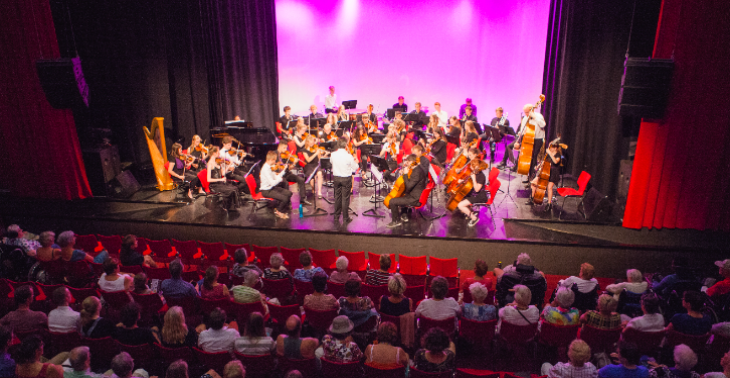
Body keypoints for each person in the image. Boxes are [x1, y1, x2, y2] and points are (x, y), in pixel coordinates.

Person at [386, 154, 426, 228]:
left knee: (392, 201)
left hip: (414, 198)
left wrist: (405, 174)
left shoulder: (417, 172)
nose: (406, 163)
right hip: (414, 194)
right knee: (401, 194)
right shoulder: (417, 169)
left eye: (407, 161)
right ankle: (404, 214)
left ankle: (395, 221)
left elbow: (409, 186)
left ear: (412, 162)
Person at [513, 103, 547, 180]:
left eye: (527, 112)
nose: (526, 114)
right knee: (529, 158)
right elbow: (523, 129)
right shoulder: (525, 118)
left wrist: (534, 117)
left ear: (532, 110)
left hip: (538, 139)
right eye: (525, 112)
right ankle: (529, 177)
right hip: (528, 139)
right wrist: (520, 134)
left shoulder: (538, 116)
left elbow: (543, 125)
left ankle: (532, 177)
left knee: (534, 157)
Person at [527, 139, 563, 211]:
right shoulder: (547, 155)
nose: (549, 148)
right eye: (549, 146)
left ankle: (549, 204)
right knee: (533, 184)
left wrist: (549, 153)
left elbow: (555, 161)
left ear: (556, 148)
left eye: (551, 147)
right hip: (545, 172)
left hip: (553, 173)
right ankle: (532, 199)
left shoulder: (558, 155)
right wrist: (539, 166)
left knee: (549, 187)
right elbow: (544, 162)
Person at [330, 139, 359, 224]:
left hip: (336, 178)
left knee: (337, 198)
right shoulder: (348, 156)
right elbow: (355, 167)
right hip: (346, 179)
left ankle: (336, 217)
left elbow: (331, 162)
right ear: (346, 146)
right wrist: (356, 161)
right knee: (345, 199)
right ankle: (345, 218)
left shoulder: (333, 154)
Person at [455, 158, 490, 227]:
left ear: (476, 167)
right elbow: (468, 181)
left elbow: (477, 189)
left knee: (460, 205)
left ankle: (474, 218)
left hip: (479, 196)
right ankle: (471, 212)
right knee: (460, 197)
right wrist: (462, 181)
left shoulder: (481, 176)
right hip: (473, 193)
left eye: (471, 166)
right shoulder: (474, 173)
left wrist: (473, 179)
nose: (470, 167)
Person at [260, 150, 293, 220]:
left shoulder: (270, 167)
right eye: (274, 160)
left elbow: (275, 177)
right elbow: (272, 183)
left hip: (271, 188)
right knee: (285, 198)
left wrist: (283, 171)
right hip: (266, 190)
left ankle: (278, 208)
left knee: (289, 193)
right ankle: (279, 211)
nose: (275, 162)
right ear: (271, 160)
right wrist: (280, 179)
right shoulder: (265, 169)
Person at [275, 141, 309, 206]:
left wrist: (293, 163)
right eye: (284, 148)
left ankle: (303, 199)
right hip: (279, 175)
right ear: (279, 147)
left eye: (286, 148)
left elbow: (289, 168)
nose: (285, 150)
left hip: (287, 174)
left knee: (301, 179)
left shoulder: (286, 156)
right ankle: (287, 201)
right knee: (286, 183)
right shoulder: (275, 155)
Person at [205, 147, 239, 211]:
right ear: (214, 153)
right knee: (231, 190)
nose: (219, 153)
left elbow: (222, 173)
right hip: (214, 185)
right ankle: (226, 207)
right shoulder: (209, 164)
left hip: (220, 183)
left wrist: (229, 165)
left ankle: (229, 207)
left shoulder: (217, 162)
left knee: (234, 188)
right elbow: (208, 179)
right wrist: (220, 179)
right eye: (218, 152)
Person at [301, 135, 328, 199]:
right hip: (309, 166)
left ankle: (319, 191)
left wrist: (324, 155)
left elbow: (319, 159)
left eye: (313, 142)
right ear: (307, 142)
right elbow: (308, 160)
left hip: (316, 164)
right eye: (311, 142)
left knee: (319, 173)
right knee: (312, 184)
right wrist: (315, 153)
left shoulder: (316, 148)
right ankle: (313, 188)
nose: (313, 143)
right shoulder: (304, 150)